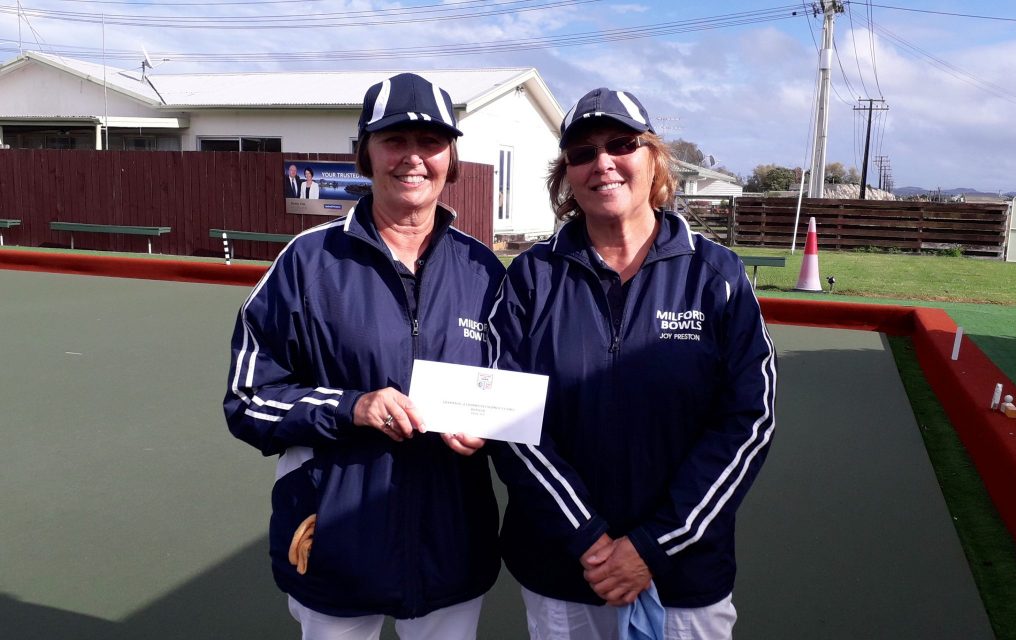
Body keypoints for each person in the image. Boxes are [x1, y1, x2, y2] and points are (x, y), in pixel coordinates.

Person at [488, 88, 777, 640]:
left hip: (685, 573)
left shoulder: (717, 276)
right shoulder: (530, 279)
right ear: (566, 173)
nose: (602, 163)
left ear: (654, 158)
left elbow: (748, 422)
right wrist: (590, 541)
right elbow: (511, 425)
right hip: (566, 569)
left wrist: (653, 545)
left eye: (621, 144)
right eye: (581, 152)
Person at [225, 72, 504, 640]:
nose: (413, 158)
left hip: (450, 540)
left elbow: (512, 388)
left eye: (430, 143)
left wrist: (489, 428)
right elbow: (247, 400)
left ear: (451, 158)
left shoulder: (485, 271)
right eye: (394, 140)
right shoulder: (306, 264)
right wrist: (351, 408)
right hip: (335, 537)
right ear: (364, 154)